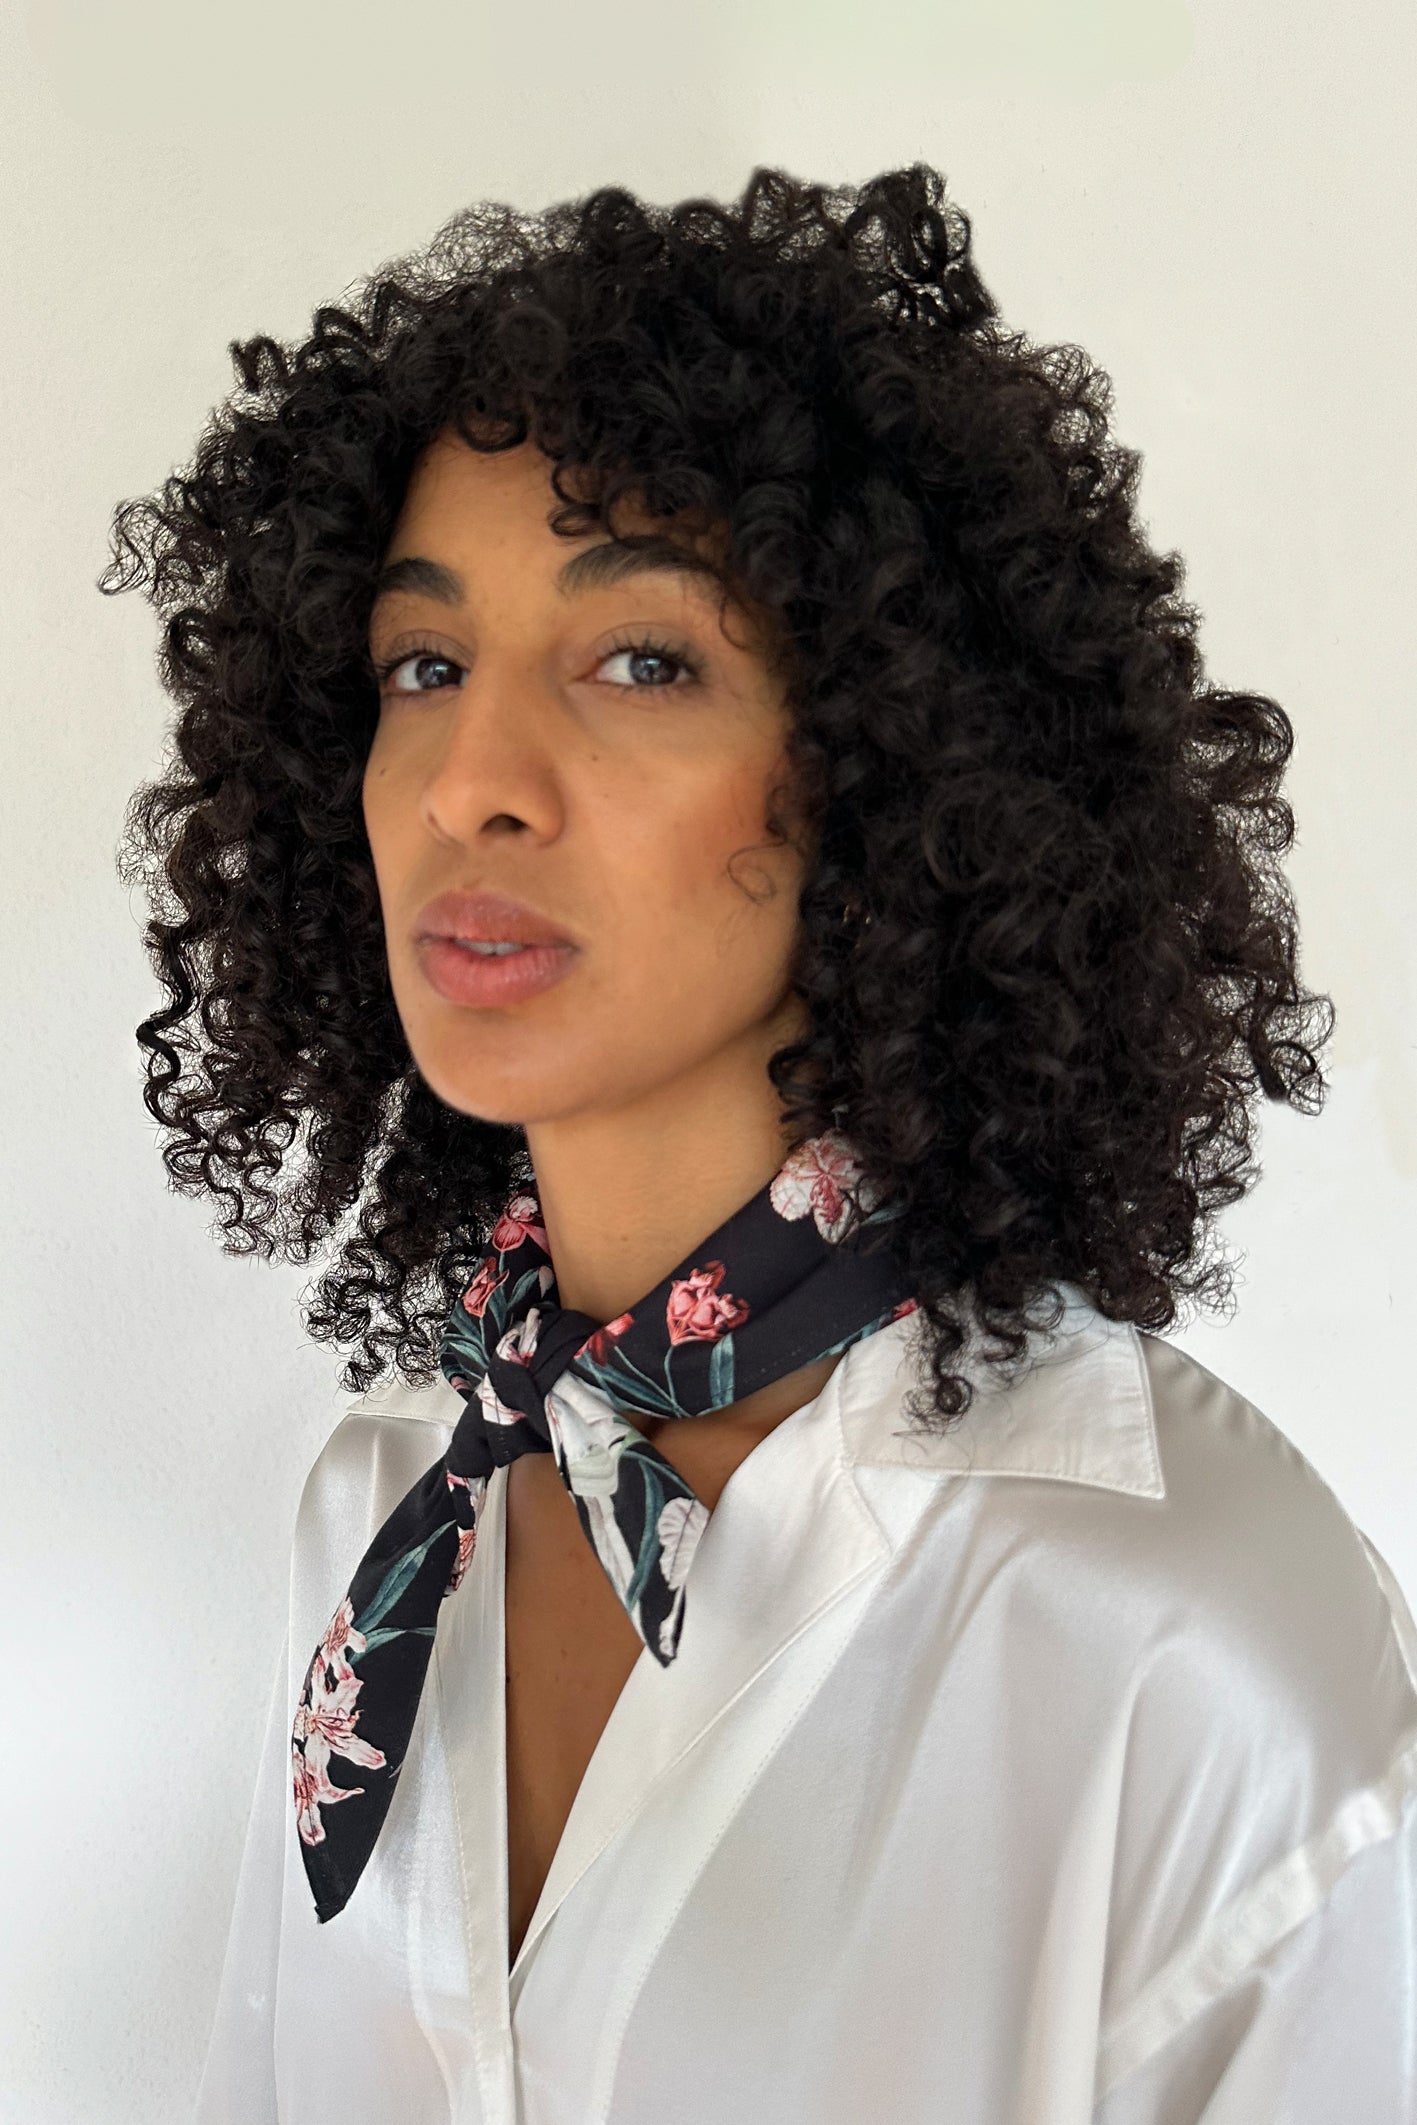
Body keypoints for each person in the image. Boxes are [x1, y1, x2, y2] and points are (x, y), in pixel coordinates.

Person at [104, 164, 1416, 2122]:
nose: (473, 780)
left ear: (895, 765)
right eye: (420, 665)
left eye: (642, 661)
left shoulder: (1182, 1646)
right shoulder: (383, 1521)